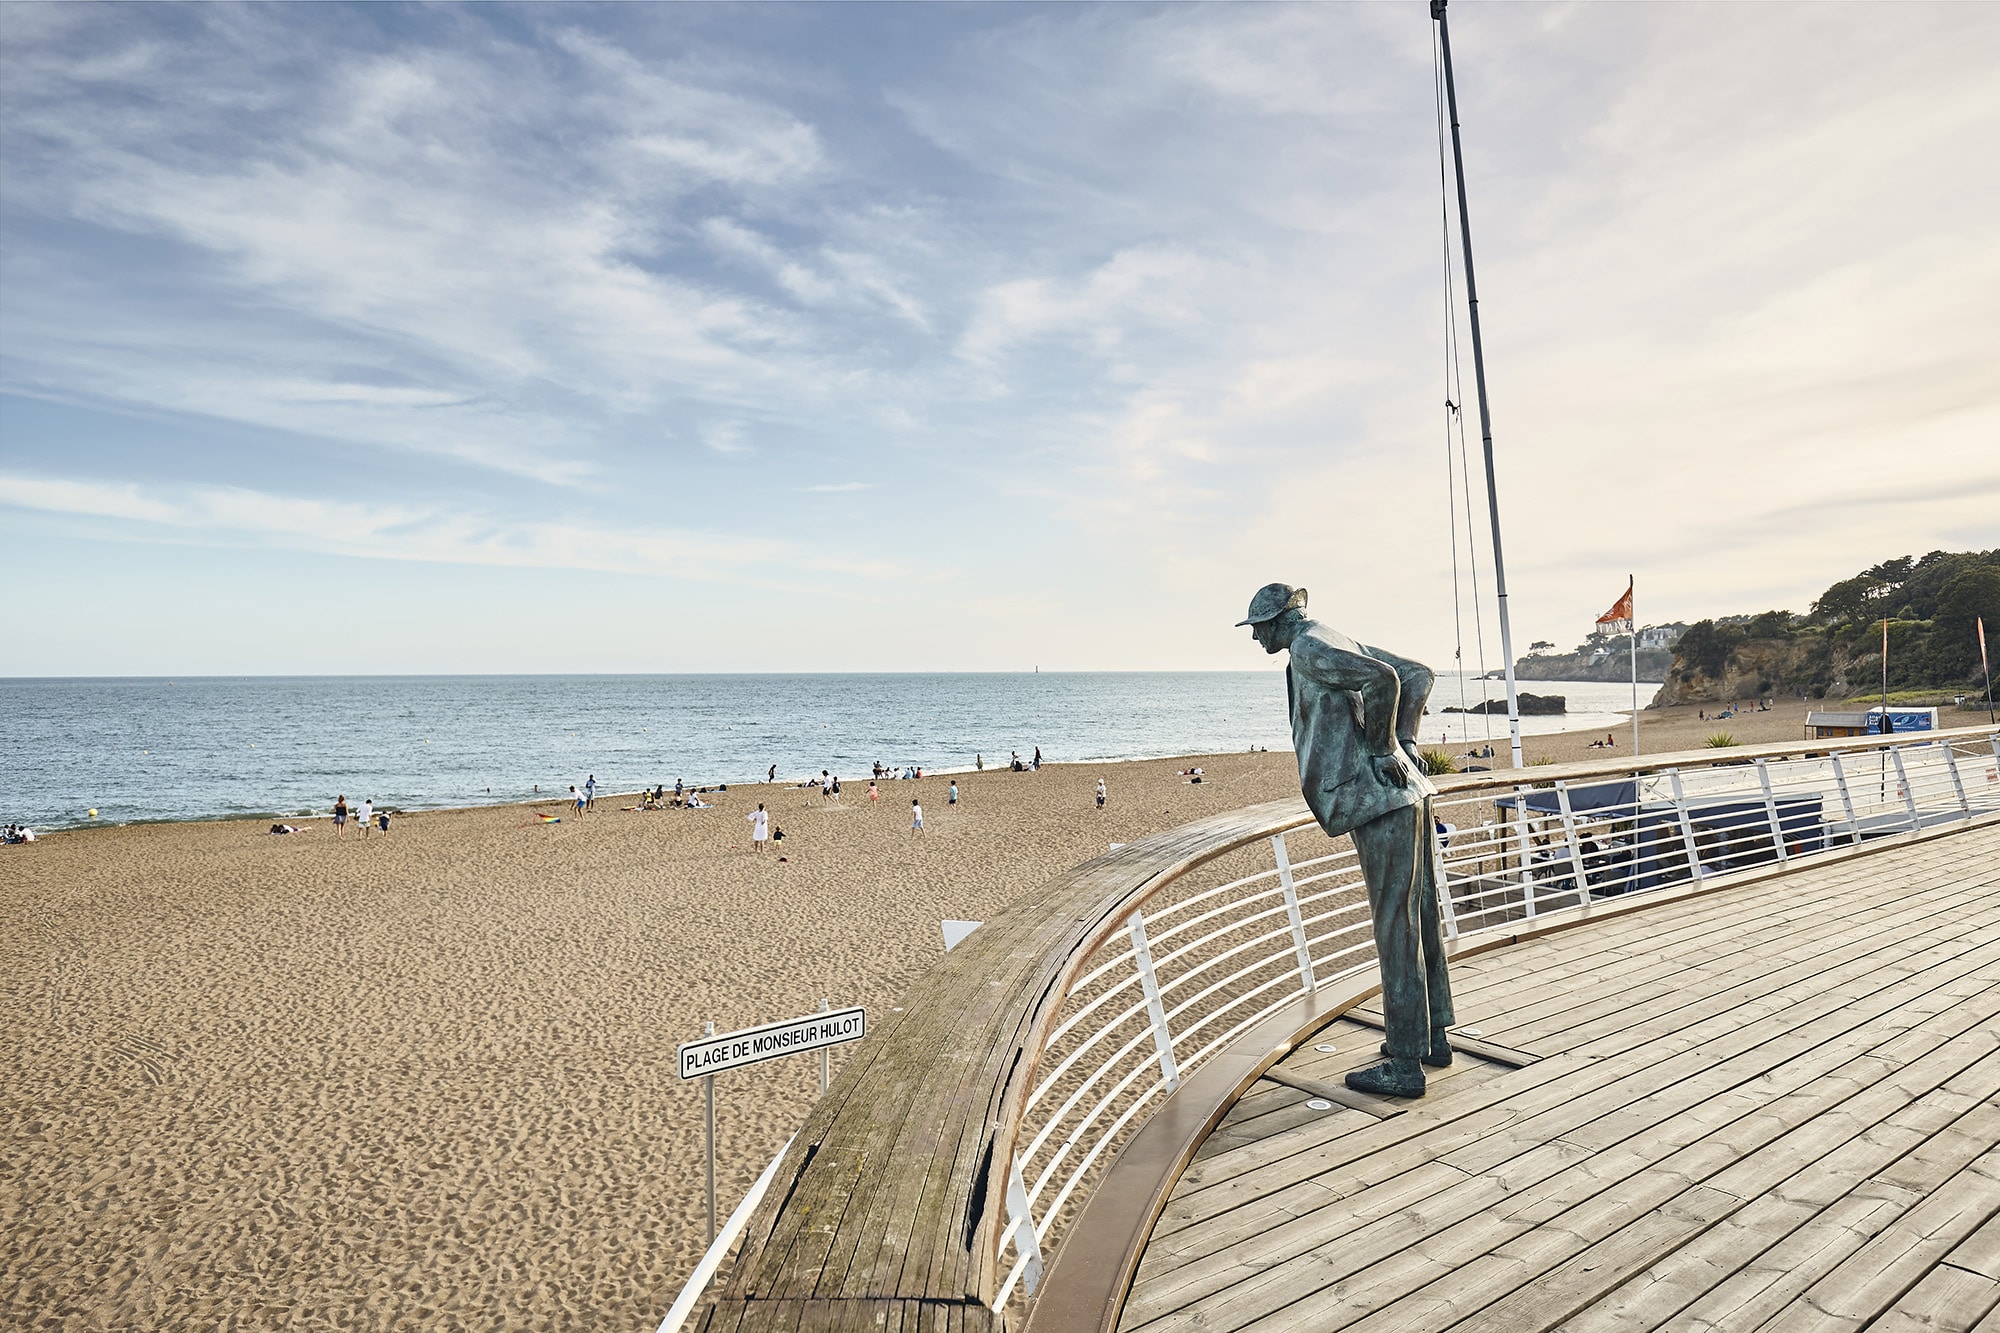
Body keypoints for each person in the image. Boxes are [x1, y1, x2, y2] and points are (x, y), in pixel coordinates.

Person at [1239, 581, 1452, 1099]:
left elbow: (1386, 679)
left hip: (1380, 799)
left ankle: (1405, 1065)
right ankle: (1431, 1038)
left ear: (1278, 621)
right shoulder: (1332, 636)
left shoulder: (1309, 647)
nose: (1256, 639)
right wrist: (1405, 741)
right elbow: (1418, 674)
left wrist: (1382, 749)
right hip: (1405, 794)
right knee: (1419, 914)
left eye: (1258, 628)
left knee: (1394, 925)